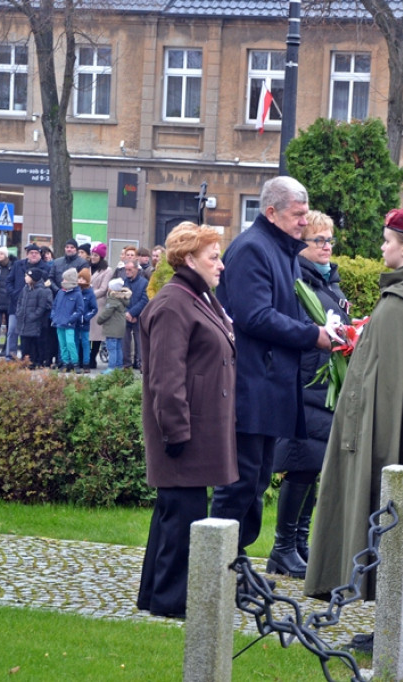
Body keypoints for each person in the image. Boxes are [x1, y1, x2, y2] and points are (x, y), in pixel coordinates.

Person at [304, 207, 403, 658]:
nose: (382, 248)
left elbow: (379, 389)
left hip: (388, 439)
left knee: (391, 517)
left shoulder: (400, 302)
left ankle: (396, 631)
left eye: (387, 241)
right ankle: (398, 627)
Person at [210, 176, 332, 558]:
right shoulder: (252, 249)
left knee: (257, 480)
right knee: (239, 482)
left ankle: (236, 561)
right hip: (249, 384)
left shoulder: (281, 251)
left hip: (269, 383)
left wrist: (327, 327)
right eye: (298, 215)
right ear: (271, 212)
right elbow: (255, 316)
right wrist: (312, 334)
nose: (304, 223)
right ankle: (218, 565)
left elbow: (285, 310)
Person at [135, 222, 238, 619]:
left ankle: (157, 594)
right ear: (189, 260)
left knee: (176, 514)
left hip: (198, 428)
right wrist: (176, 431)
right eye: (214, 257)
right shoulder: (174, 303)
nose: (221, 265)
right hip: (183, 432)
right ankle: (172, 600)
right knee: (182, 517)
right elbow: (165, 376)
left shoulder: (198, 298)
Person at [268, 211, 351, 578]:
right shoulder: (296, 284)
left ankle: (299, 542)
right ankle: (283, 547)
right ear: (301, 245)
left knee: (313, 467)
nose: (326, 245)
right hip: (305, 385)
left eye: (330, 239)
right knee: (301, 465)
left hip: (325, 385)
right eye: (318, 240)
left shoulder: (328, 283)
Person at [6, 244, 43, 359]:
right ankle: (10, 355)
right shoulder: (18, 265)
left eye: (36, 253)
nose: (33, 255)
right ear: (27, 254)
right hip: (16, 305)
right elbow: (8, 281)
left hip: (33, 307)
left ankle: (28, 358)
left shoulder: (44, 267)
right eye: (31, 253)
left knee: (28, 334)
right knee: (12, 330)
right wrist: (14, 294)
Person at [16, 267, 53, 369]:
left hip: (34, 321)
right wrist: (19, 313)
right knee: (24, 342)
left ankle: (34, 361)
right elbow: (19, 302)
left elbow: (41, 307)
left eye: (27, 276)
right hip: (24, 320)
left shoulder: (42, 291)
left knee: (33, 343)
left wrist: (33, 316)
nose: (25, 278)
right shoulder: (25, 289)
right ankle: (25, 361)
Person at [50, 267, 85, 373]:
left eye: (65, 279)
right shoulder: (60, 292)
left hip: (69, 324)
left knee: (71, 343)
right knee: (62, 344)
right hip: (59, 323)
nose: (62, 281)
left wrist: (71, 319)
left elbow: (80, 310)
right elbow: (54, 306)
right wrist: (54, 317)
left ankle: (75, 363)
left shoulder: (77, 294)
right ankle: (65, 362)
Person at [95, 277, 130, 372]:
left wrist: (99, 320)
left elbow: (107, 312)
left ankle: (111, 368)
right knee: (118, 347)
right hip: (119, 328)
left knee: (111, 348)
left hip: (112, 328)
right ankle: (119, 366)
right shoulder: (122, 299)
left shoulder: (113, 299)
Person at [87, 243, 113, 369]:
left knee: (96, 335)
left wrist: (88, 294)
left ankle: (93, 358)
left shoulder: (107, 270)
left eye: (96, 255)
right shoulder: (87, 267)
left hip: (98, 304)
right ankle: (86, 358)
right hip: (85, 303)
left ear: (101, 257)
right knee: (86, 333)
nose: (93, 257)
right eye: (92, 254)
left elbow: (103, 289)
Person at [122, 260, 149, 370]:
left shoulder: (144, 283)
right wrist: (126, 313)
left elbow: (144, 300)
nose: (127, 272)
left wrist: (132, 313)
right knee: (125, 341)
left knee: (140, 341)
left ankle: (141, 363)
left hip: (139, 316)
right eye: (126, 270)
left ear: (136, 270)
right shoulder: (124, 282)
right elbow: (121, 299)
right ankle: (126, 364)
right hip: (126, 316)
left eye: (130, 270)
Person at [0, 246, 14, 355]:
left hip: (9, 300)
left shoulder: (12, 267)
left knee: (9, 326)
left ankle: (6, 347)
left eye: (1, 254)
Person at [75, 267, 98, 373]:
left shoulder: (90, 293)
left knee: (85, 343)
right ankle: (77, 362)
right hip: (75, 322)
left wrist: (86, 317)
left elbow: (94, 308)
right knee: (76, 342)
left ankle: (86, 363)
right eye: (79, 278)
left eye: (83, 279)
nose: (80, 281)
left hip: (84, 323)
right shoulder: (75, 292)